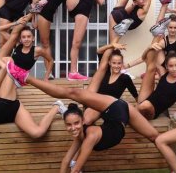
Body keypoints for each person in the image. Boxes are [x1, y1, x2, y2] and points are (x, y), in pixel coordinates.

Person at [11, 73, 159, 173]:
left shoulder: (90, 137)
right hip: (114, 115)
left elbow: (75, 171)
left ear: (81, 122)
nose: (73, 128)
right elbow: (65, 161)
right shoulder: (81, 134)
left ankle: (26, 77)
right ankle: (61, 108)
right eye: (69, 125)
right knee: (154, 136)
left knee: (74, 93)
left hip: (118, 108)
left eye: (75, 124)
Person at [0, 13, 53, 81]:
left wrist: (46, 77)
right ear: (20, 39)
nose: (26, 39)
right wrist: (16, 23)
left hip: (14, 75)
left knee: (6, 63)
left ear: (33, 38)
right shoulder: (18, 44)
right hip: (4, 69)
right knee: (10, 47)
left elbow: (50, 60)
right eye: (23, 37)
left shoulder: (37, 50)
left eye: (29, 37)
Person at [83, 42, 138, 125]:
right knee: (86, 121)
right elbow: (99, 51)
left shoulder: (125, 78)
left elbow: (136, 95)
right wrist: (112, 45)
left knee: (87, 121)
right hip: (94, 102)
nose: (116, 66)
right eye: (114, 63)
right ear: (109, 63)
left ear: (122, 64)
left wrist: (139, 108)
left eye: (119, 63)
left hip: (107, 106)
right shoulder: (105, 72)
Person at [136, 51, 176, 120]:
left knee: (141, 107)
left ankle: (133, 110)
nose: (174, 69)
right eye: (171, 66)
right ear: (166, 66)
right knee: (151, 66)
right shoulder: (163, 73)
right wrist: (149, 48)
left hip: (154, 110)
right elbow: (145, 58)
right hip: (146, 101)